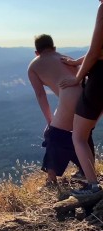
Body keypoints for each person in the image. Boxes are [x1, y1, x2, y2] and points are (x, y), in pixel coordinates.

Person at [27, 34, 95, 185]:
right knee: (84, 134)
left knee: (54, 135)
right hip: (91, 92)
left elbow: (40, 95)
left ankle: (51, 180)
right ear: (54, 48)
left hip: (70, 95)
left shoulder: (33, 66)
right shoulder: (66, 57)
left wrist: (49, 120)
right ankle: (86, 171)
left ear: (36, 52)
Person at [59, 1, 103, 196]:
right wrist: (76, 61)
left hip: (101, 80)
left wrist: (77, 77)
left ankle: (93, 186)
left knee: (78, 137)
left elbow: (95, 52)